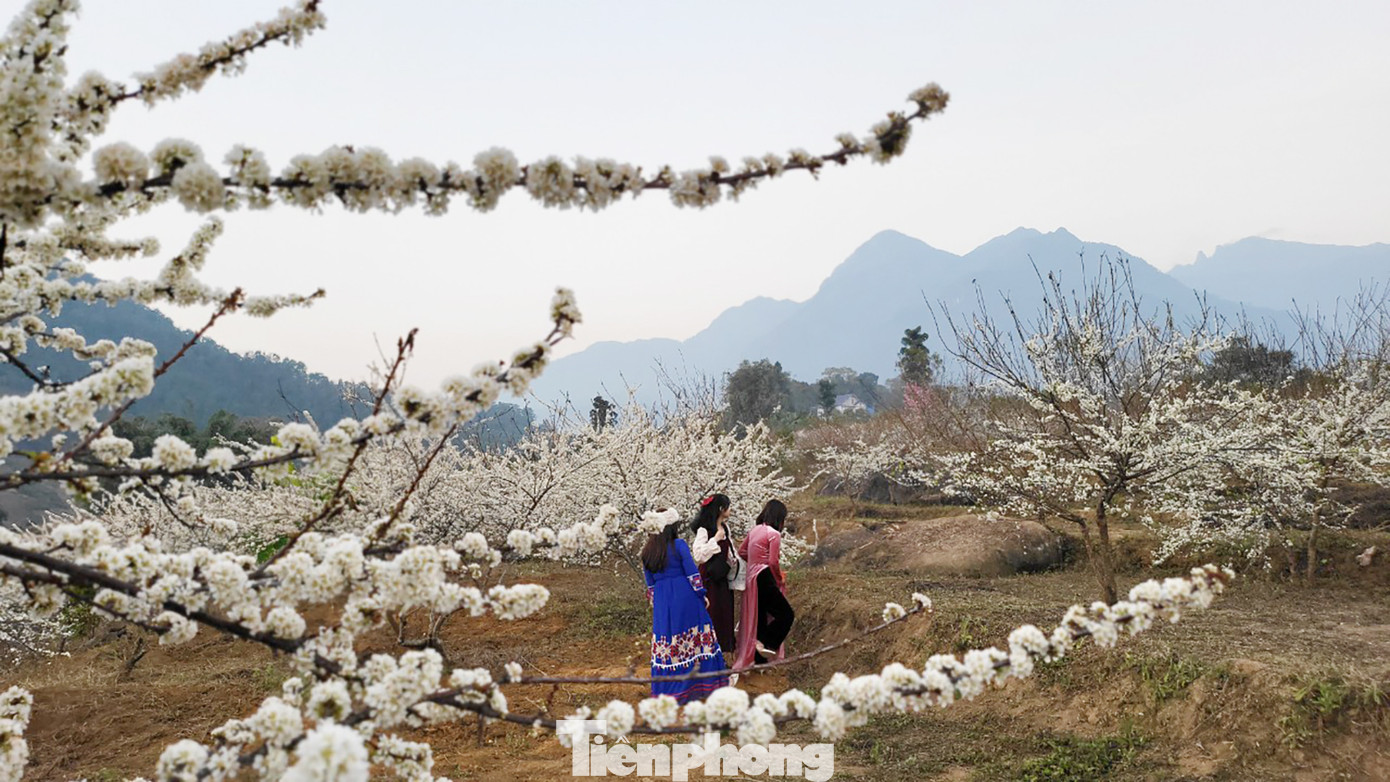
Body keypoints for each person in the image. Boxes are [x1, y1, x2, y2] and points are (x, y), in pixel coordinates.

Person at [640, 508, 729, 703]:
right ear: (671, 526)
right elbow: (692, 574)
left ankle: (669, 690)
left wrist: (658, 605)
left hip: (663, 602)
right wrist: (701, 594)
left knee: (669, 642)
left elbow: (651, 585)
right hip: (685, 597)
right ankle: (702, 685)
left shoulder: (646, 553)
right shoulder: (678, 545)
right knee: (697, 639)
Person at [733, 499, 795, 670]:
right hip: (764, 575)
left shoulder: (755, 531)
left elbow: (742, 552)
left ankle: (758, 660)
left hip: (751, 579)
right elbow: (773, 562)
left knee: (759, 616)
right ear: (780, 517)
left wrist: (754, 562)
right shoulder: (773, 534)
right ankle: (766, 643)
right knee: (786, 614)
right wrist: (779, 577)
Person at [689, 493, 736, 663]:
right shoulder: (704, 530)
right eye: (728, 506)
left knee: (724, 614)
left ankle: (723, 655)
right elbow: (699, 555)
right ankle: (706, 655)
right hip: (708, 579)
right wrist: (715, 540)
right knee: (711, 614)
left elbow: (730, 552)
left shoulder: (726, 528)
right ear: (720, 509)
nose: (730, 510)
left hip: (721, 579)